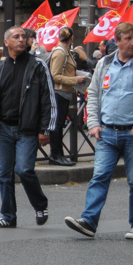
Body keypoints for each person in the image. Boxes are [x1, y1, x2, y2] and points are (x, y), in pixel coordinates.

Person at [65, 22, 133, 240]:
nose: (132, 42)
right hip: (107, 132)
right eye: (127, 38)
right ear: (117, 41)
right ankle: (89, 221)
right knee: (99, 176)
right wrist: (93, 124)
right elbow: (93, 94)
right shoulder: (105, 63)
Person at [0, 26, 55, 228]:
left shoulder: (37, 66)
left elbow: (48, 99)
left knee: (24, 169)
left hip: (27, 129)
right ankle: (8, 216)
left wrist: (45, 129)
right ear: (6, 43)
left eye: (24, 36)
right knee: (4, 175)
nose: (21, 40)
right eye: (16, 37)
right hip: (4, 129)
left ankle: (40, 204)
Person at [47, 27, 83, 167]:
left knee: (60, 125)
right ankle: (55, 155)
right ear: (72, 38)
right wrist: (75, 80)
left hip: (64, 93)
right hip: (59, 93)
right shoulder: (60, 53)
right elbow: (55, 76)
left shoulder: (65, 51)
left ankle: (58, 154)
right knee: (57, 125)